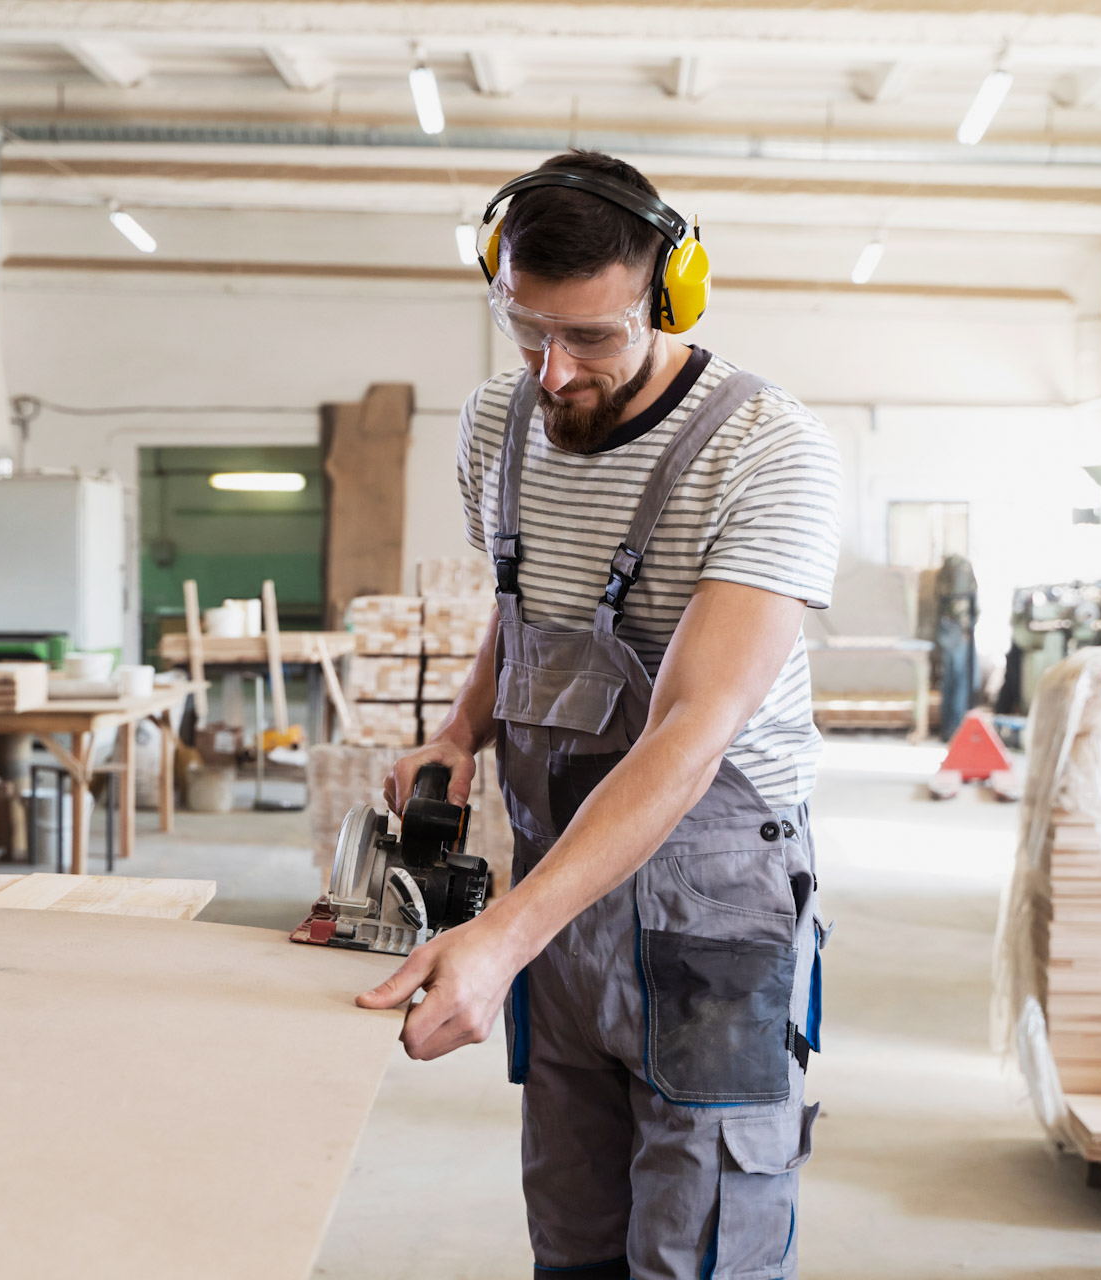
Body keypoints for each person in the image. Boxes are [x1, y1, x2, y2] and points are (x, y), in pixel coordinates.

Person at [356, 151, 842, 1280]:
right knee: (573, 1241)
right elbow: (524, 607)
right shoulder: (498, 421)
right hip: (557, 884)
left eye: (594, 338)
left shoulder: (769, 452)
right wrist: (458, 731)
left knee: (694, 1245)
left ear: (670, 298)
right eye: (529, 332)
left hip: (710, 907)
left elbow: (690, 731)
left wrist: (501, 936)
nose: (556, 372)